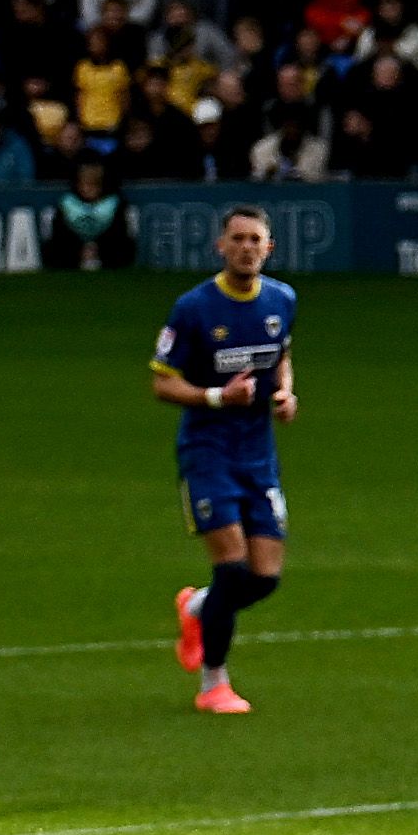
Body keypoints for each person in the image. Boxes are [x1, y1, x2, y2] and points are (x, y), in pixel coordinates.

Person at [149, 205, 298, 718]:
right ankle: (214, 683)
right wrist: (217, 397)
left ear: (269, 248)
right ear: (221, 246)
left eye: (255, 240)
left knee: (265, 577)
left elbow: (282, 355)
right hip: (207, 452)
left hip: (258, 455)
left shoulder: (282, 299)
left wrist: (285, 393)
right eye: (237, 239)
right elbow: (162, 382)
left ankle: (195, 606)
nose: (246, 248)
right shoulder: (193, 308)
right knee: (232, 570)